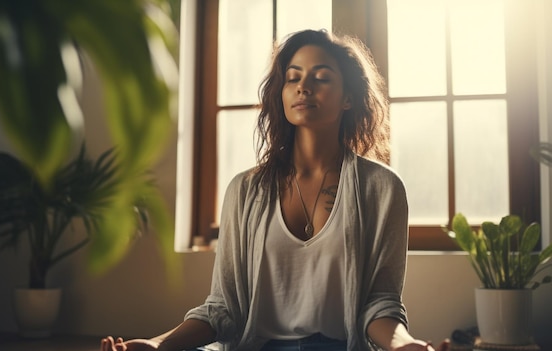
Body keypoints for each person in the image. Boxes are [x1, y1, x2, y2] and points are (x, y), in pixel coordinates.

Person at [101, 29, 449, 351]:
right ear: (281, 93)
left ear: (348, 98)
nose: (303, 87)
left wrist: (405, 345)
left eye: (322, 77)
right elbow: (223, 308)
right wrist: (156, 345)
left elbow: (381, 303)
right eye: (292, 77)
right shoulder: (244, 190)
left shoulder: (382, 188)